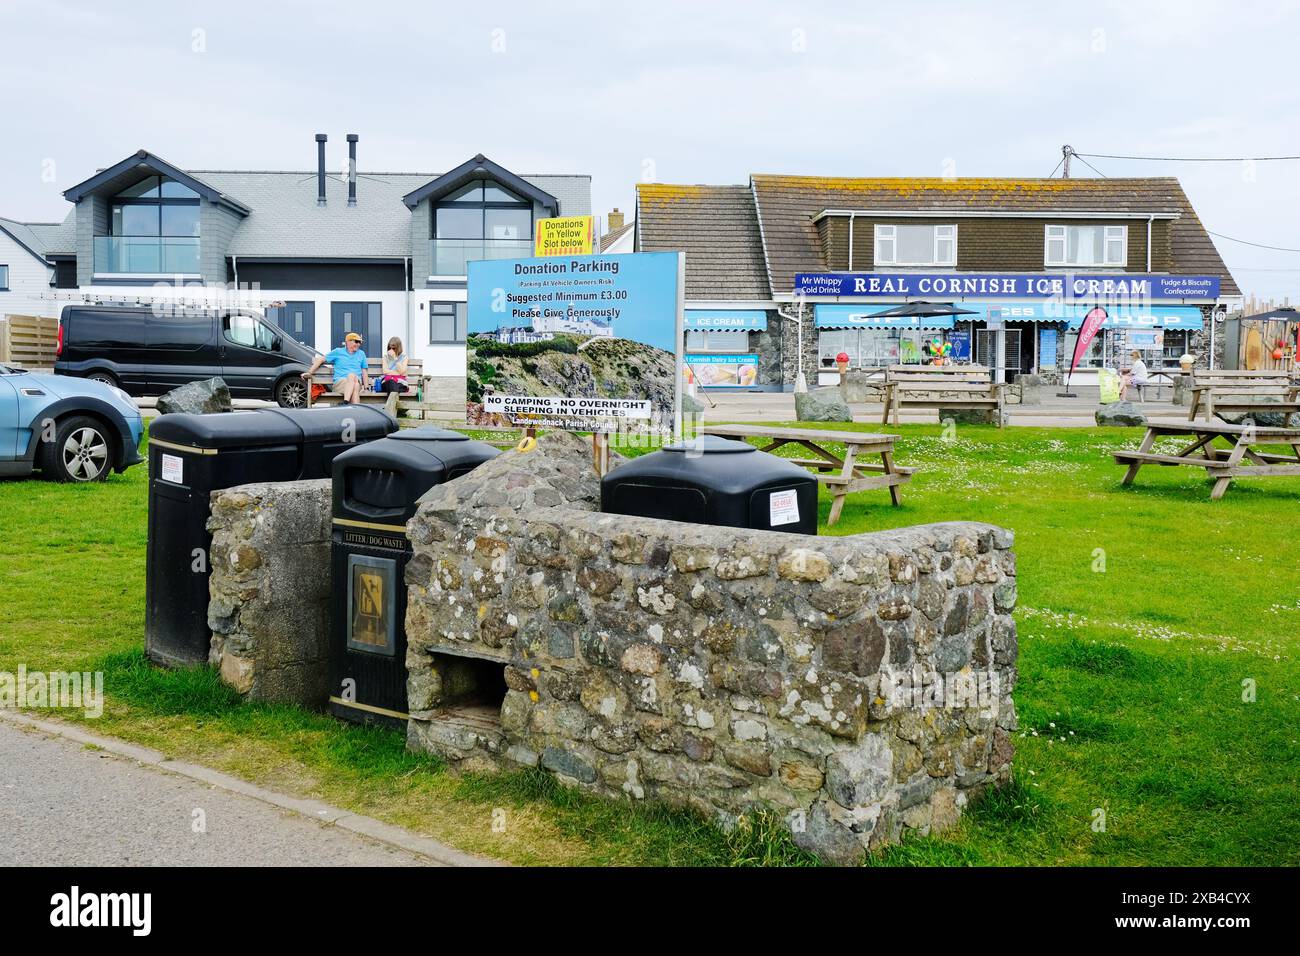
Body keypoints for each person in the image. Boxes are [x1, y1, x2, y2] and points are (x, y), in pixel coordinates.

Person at [302, 332, 368, 403]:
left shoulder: (361, 353)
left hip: (356, 380)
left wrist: (366, 388)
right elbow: (321, 359)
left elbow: (364, 371)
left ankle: (345, 402)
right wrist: (309, 372)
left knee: (353, 378)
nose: (358, 344)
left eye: (360, 342)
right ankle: (355, 412)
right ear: (348, 342)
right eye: (356, 341)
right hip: (340, 383)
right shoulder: (338, 351)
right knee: (355, 385)